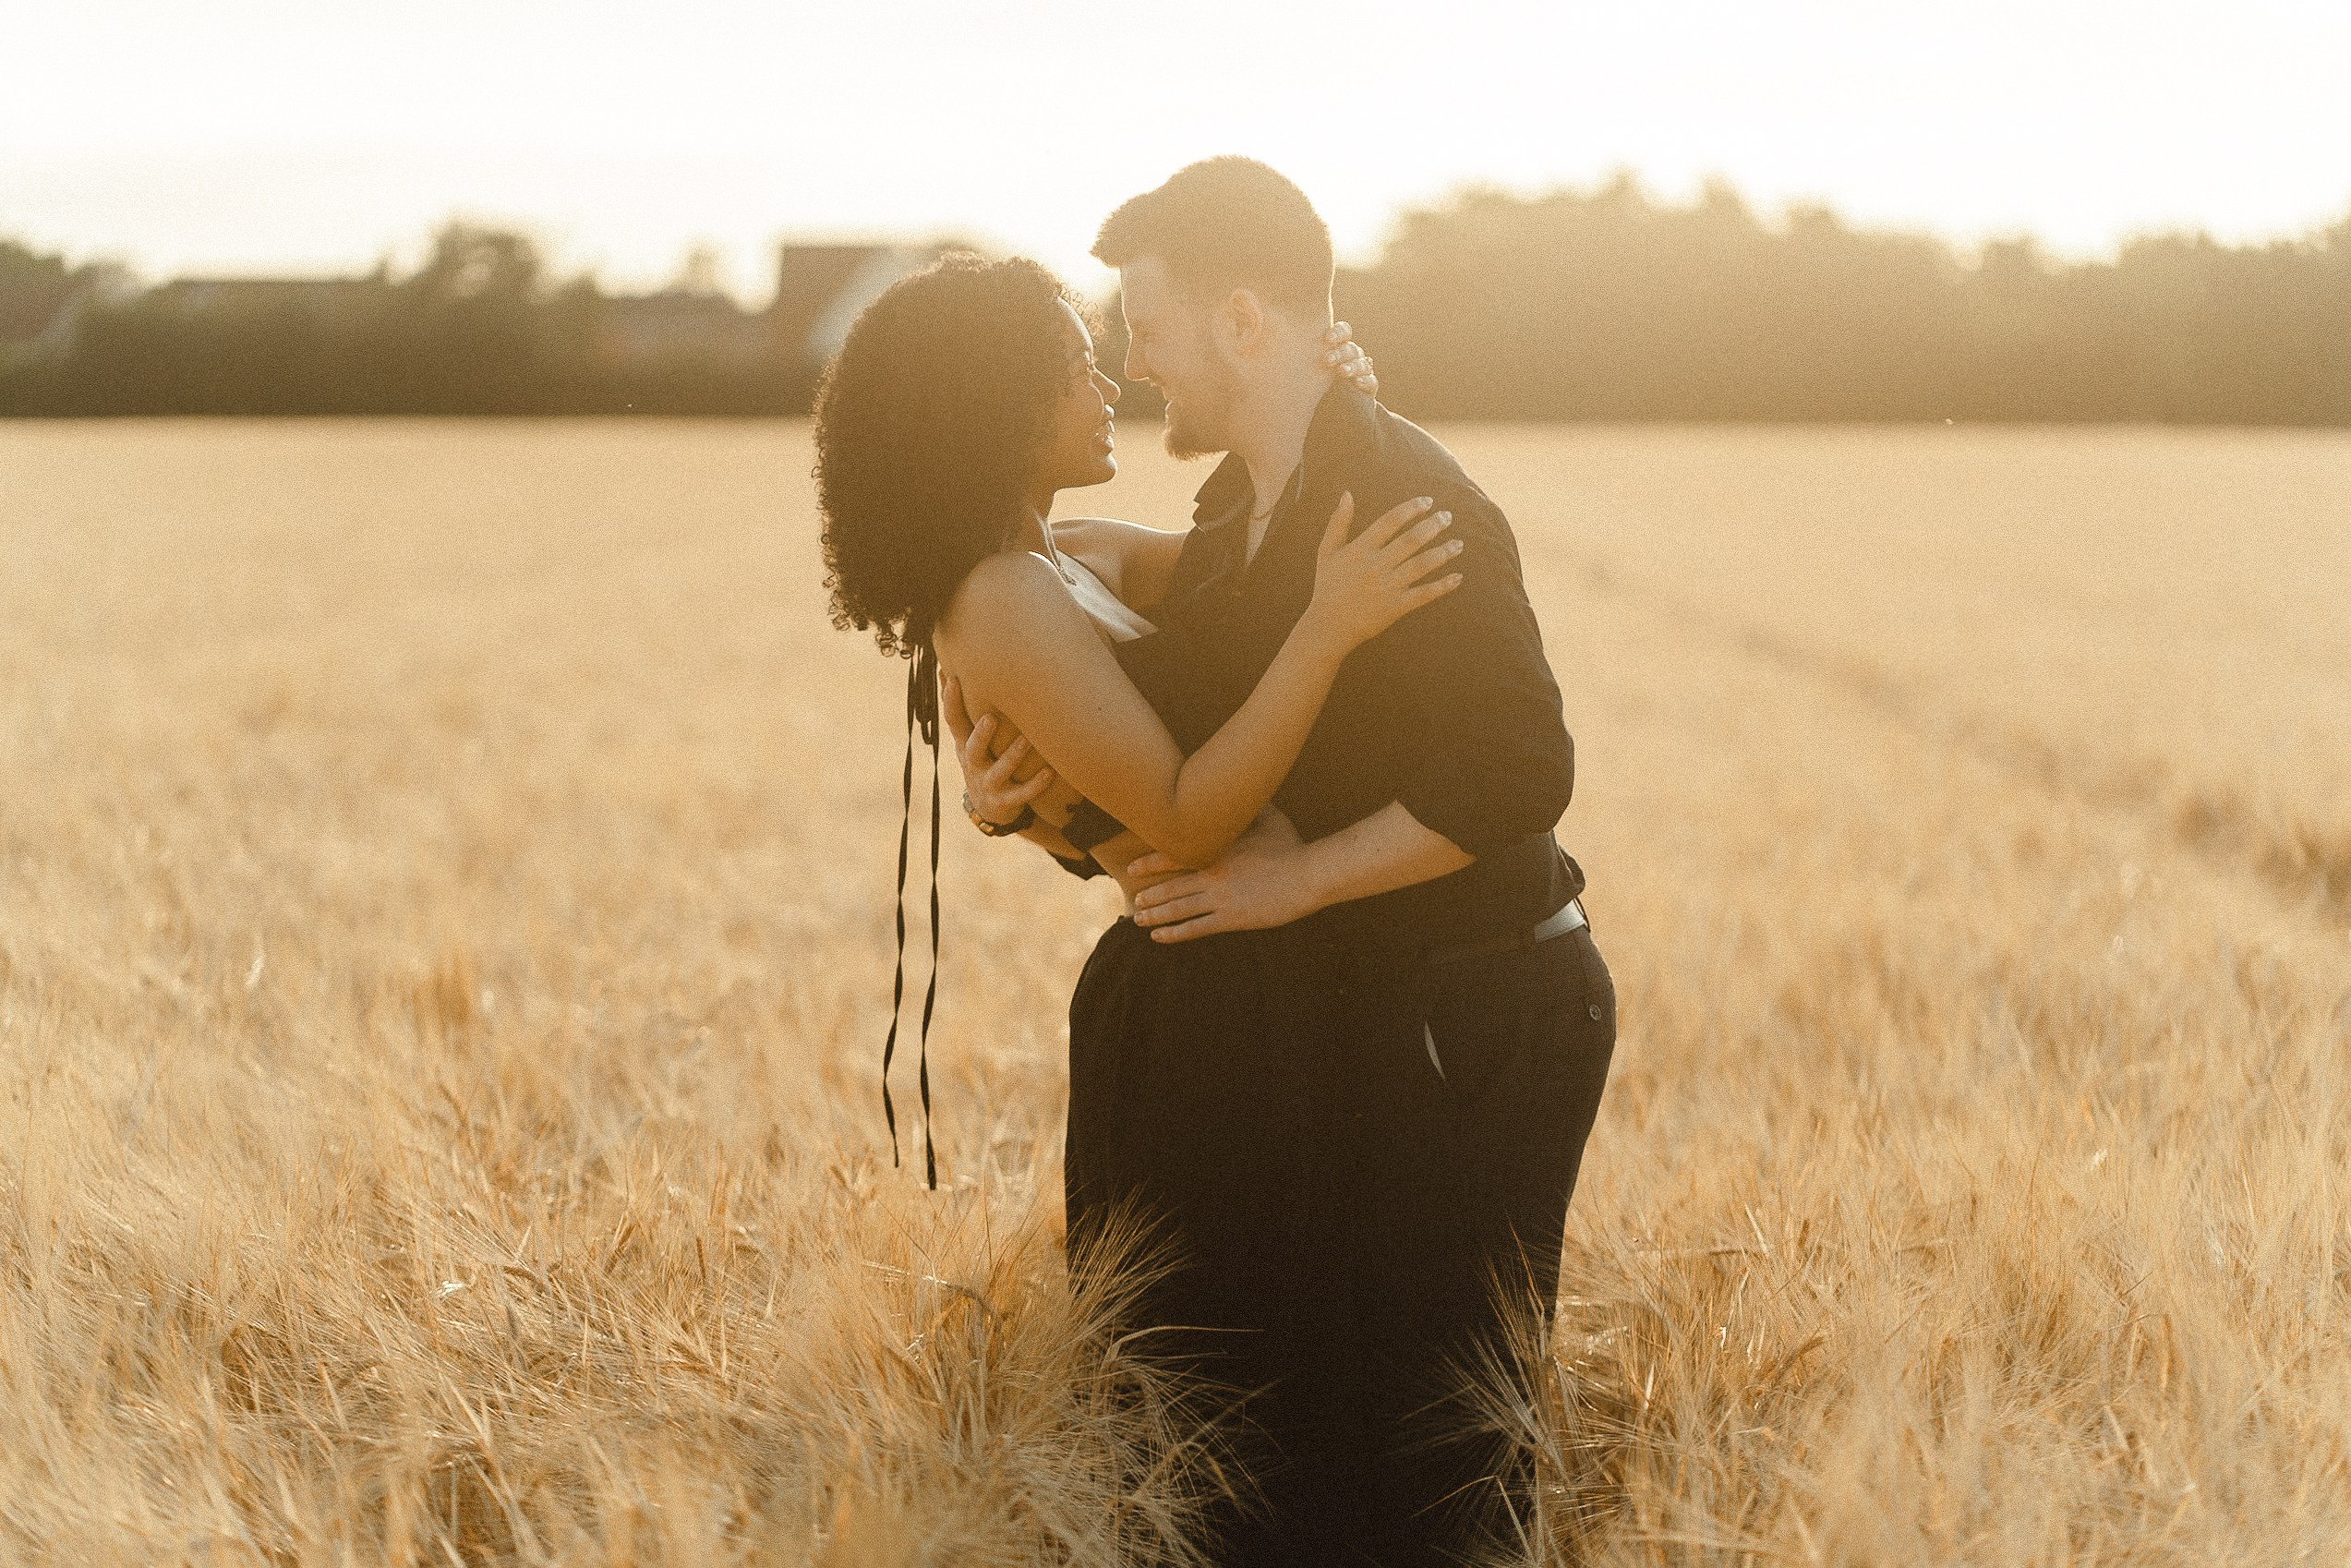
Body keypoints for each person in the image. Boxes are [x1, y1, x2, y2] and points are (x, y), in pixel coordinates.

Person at [950, 159, 1617, 1567]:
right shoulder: (1242, 508)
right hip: (1367, 1012)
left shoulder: (1395, 495)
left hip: (1475, 1006)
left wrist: (1298, 881)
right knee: (1318, 1451)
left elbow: (1518, 770)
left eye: (1146, 327)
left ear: (1243, 320)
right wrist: (1019, 796)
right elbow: (1167, 719)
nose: (1135, 364)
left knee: (1429, 1464)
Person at [815, 248, 1454, 1191]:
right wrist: (1326, 634)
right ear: (999, 403)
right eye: (1079, 370)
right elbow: (1186, 823)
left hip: (1274, 980)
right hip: (1212, 1010)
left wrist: (1321, 401)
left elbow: (1271, 553)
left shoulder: (1076, 557)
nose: (1111, 387)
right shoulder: (999, 598)